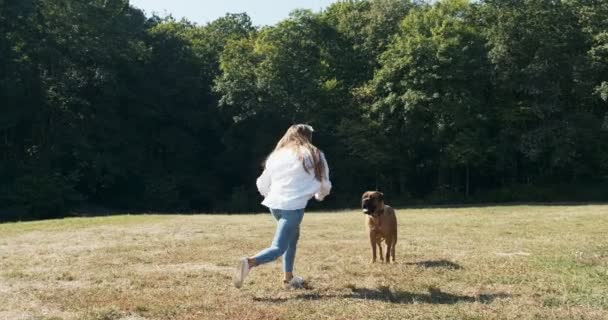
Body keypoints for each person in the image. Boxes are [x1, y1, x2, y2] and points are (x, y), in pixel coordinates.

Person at [233, 124, 332, 289]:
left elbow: (262, 182)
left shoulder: (277, 155)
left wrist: (271, 196)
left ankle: (289, 278)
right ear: (308, 137)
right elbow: (325, 183)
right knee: (278, 247)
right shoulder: (315, 154)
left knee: (292, 238)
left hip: (275, 204)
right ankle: (248, 263)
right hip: (293, 207)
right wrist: (319, 196)